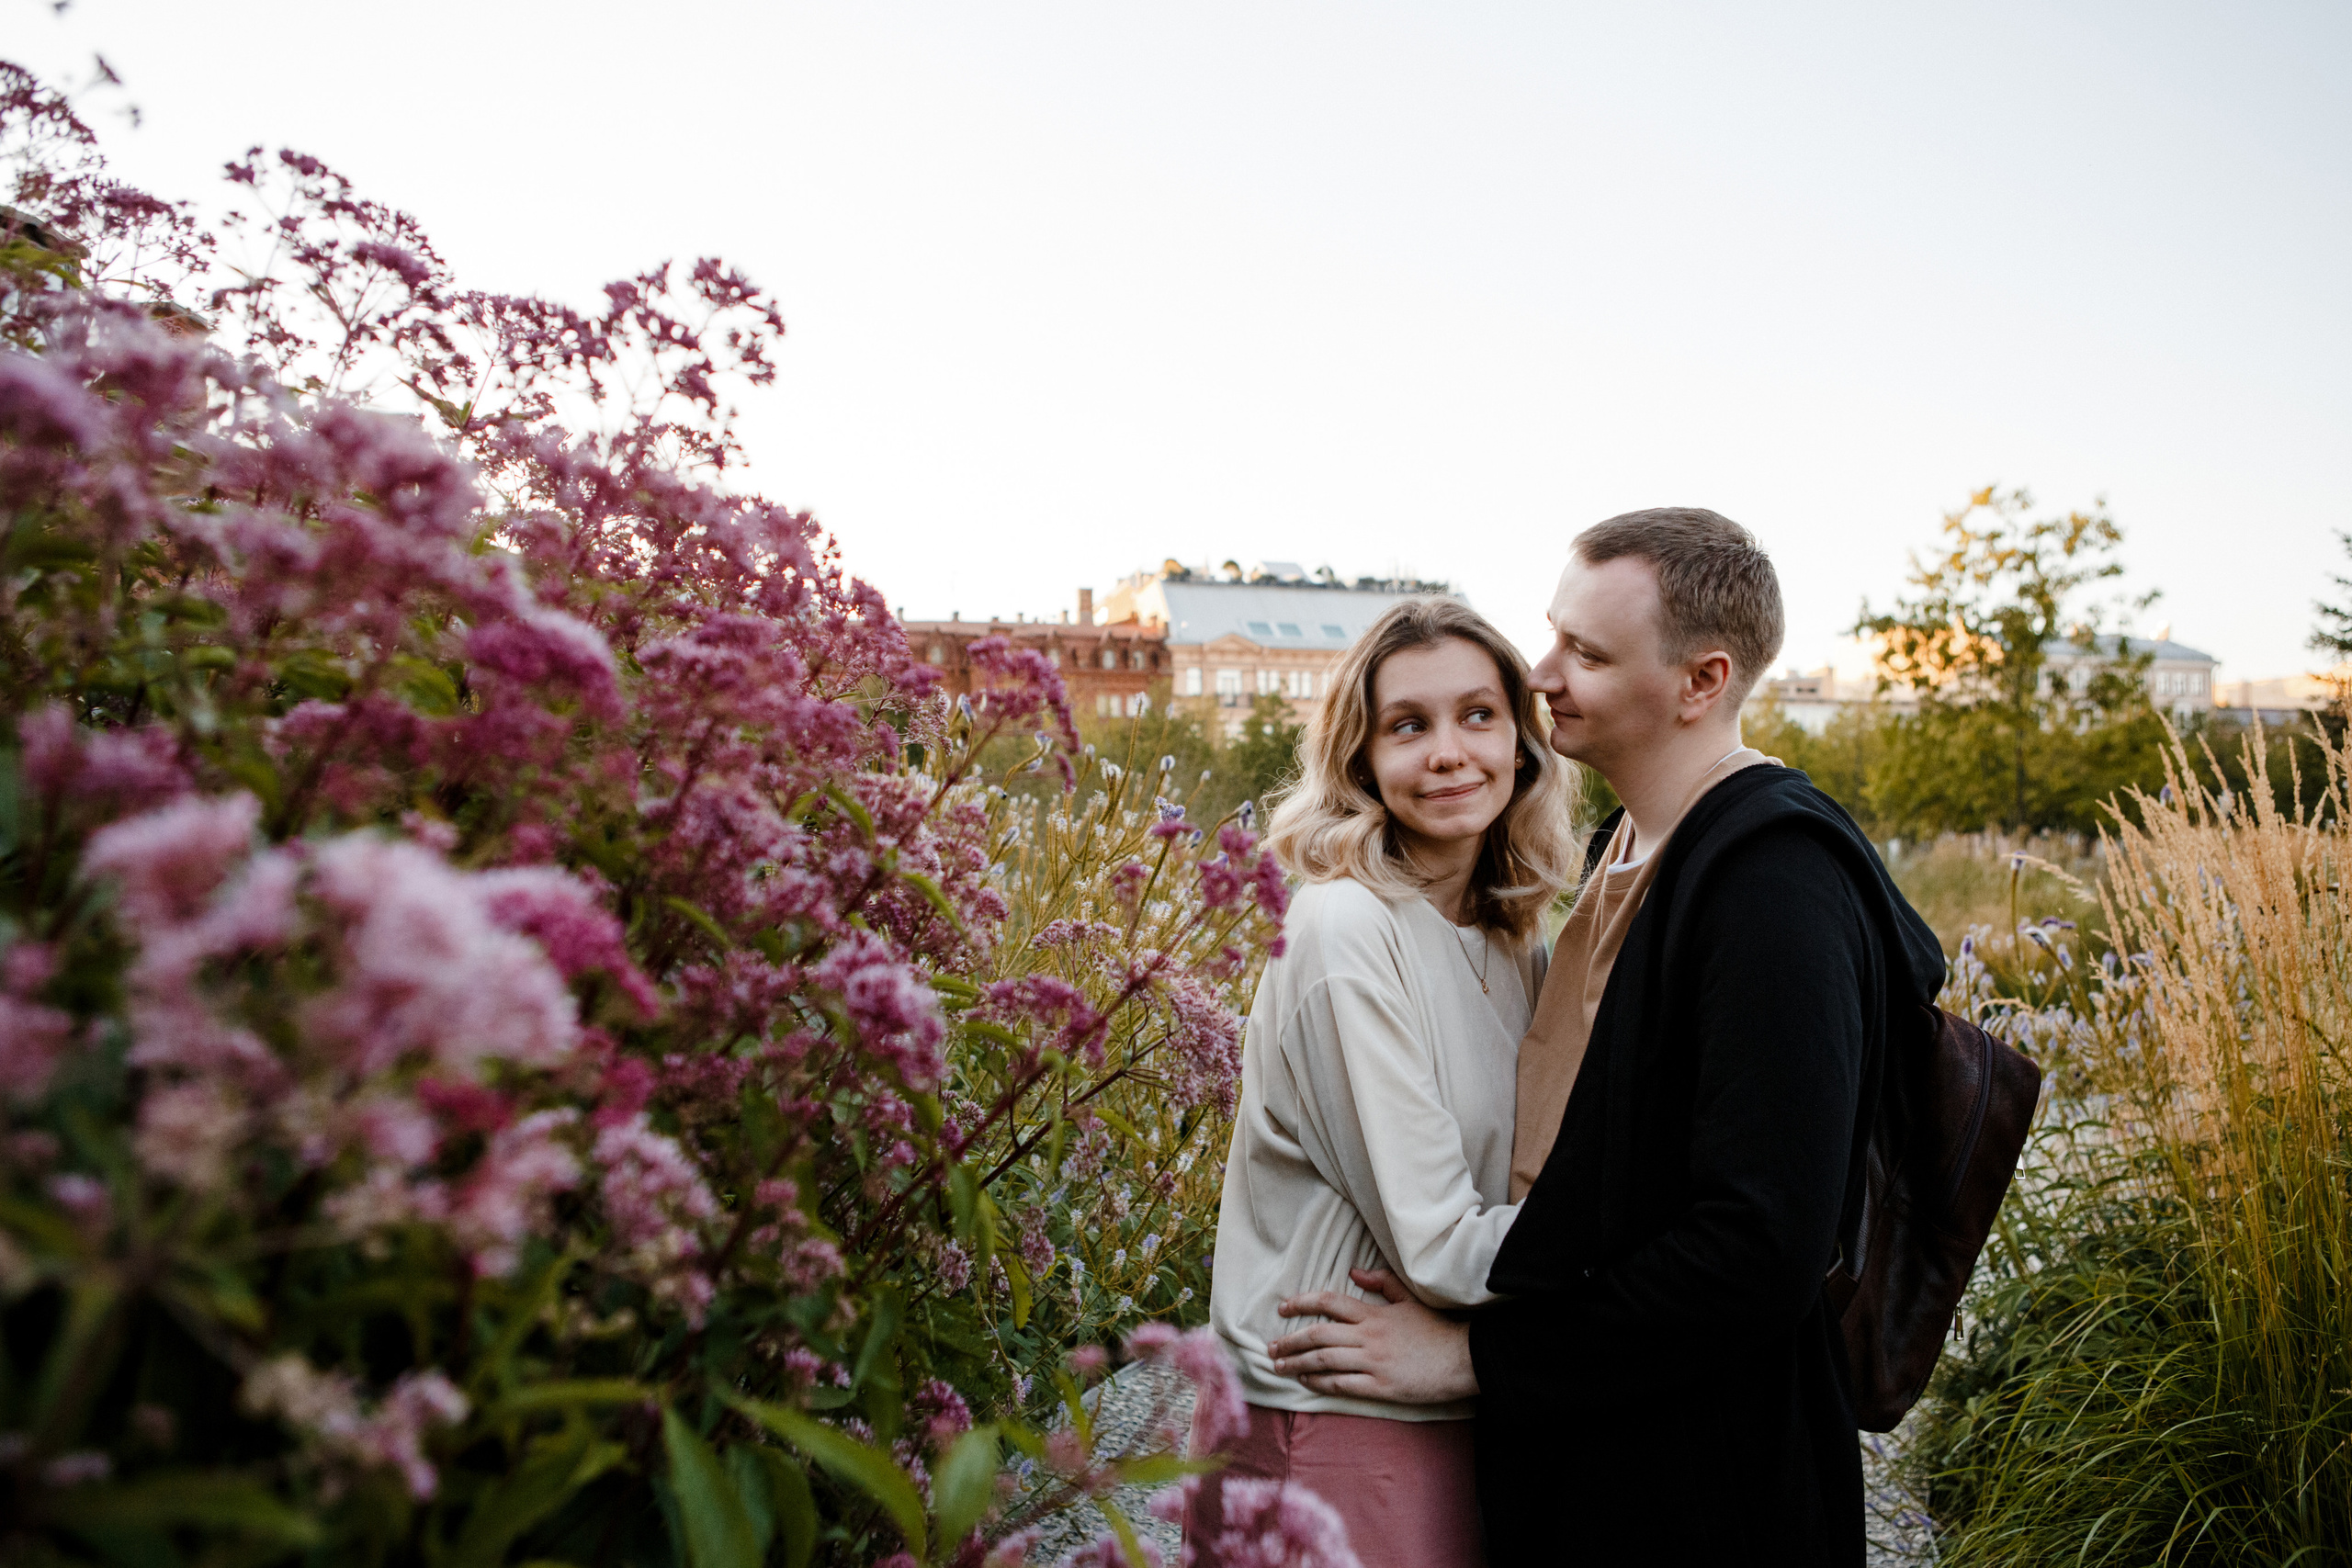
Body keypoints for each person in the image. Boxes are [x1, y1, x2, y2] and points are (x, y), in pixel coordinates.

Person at [1265, 509, 1948, 1564]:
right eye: (1553, 636)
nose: (1542, 674)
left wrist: (1482, 1360)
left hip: (1704, 1485)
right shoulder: (1620, 853)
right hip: (1596, 1454)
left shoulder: (1773, 884)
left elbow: (1760, 1250)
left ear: (1700, 682)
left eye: (1585, 653)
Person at [1185, 596, 1580, 1568]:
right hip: (1330, 1417)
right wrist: (1664, 1253)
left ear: (1523, 743)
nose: (1448, 752)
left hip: (1441, 1394)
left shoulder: (1510, 937)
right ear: (1361, 760)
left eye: (1477, 715)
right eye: (1408, 726)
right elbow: (1441, 1241)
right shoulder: (1343, 927)